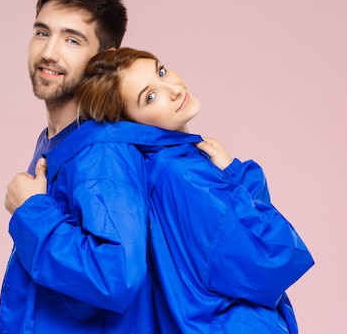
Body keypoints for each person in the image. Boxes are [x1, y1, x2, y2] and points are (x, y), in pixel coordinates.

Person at [71, 47, 315, 333]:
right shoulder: (182, 175)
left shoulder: (162, 169)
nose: (173, 89)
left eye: (161, 72)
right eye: (150, 97)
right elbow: (270, 258)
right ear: (130, 123)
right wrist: (236, 175)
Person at [0, 0, 157, 333]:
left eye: (72, 39)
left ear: (105, 59)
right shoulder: (57, 140)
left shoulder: (102, 153)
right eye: (42, 32)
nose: (49, 52)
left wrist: (32, 212)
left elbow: (116, 276)